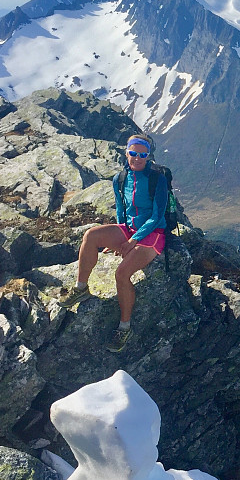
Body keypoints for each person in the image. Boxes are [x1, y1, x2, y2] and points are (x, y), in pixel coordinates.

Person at [59, 133, 168, 352]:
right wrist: (120, 235)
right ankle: (81, 288)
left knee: (121, 273)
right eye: (133, 153)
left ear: (148, 156)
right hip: (129, 229)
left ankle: (124, 327)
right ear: (126, 152)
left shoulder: (158, 179)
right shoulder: (119, 178)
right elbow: (121, 209)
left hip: (153, 234)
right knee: (91, 236)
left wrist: (133, 240)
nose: (137, 158)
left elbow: (157, 216)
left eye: (142, 154)